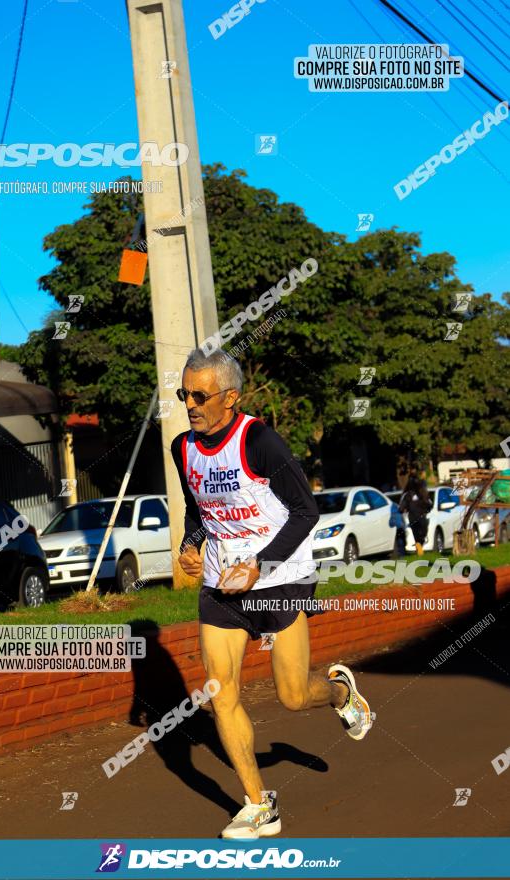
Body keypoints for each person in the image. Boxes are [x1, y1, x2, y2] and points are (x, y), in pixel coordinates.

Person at [170, 348, 373, 839]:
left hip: (281, 579)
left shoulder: (259, 442)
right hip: (221, 585)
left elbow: (305, 512)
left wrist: (260, 565)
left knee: (293, 695)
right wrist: (191, 545)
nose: (191, 405)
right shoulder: (183, 447)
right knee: (222, 693)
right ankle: (259, 804)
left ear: (230, 396)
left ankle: (341, 692)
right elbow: (199, 509)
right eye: (184, 394)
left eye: (200, 395)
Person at [399, 474, 431, 555]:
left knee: (420, 535)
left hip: (419, 517)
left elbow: (428, 504)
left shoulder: (422, 493)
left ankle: (419, 548)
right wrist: (403, 510)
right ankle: (419, 550)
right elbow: (402, 507)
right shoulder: (408, 495)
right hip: (415, 518)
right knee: (418, 535)